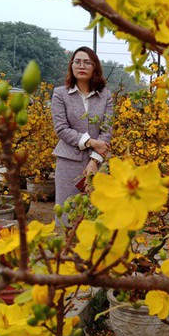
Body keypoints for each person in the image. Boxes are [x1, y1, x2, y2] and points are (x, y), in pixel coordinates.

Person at [51, 47, 112, 213]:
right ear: (71, 66)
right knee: (67, 212)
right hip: (68, 162)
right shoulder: (60, 94)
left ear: (95, 67)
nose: (81, 66)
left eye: (87, 62)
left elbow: (106, 129)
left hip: (98, 162)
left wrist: (95, 161)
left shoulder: (105, 95)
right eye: (77, 62)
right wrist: (92, 142)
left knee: (97, 213)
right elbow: (62, 129)